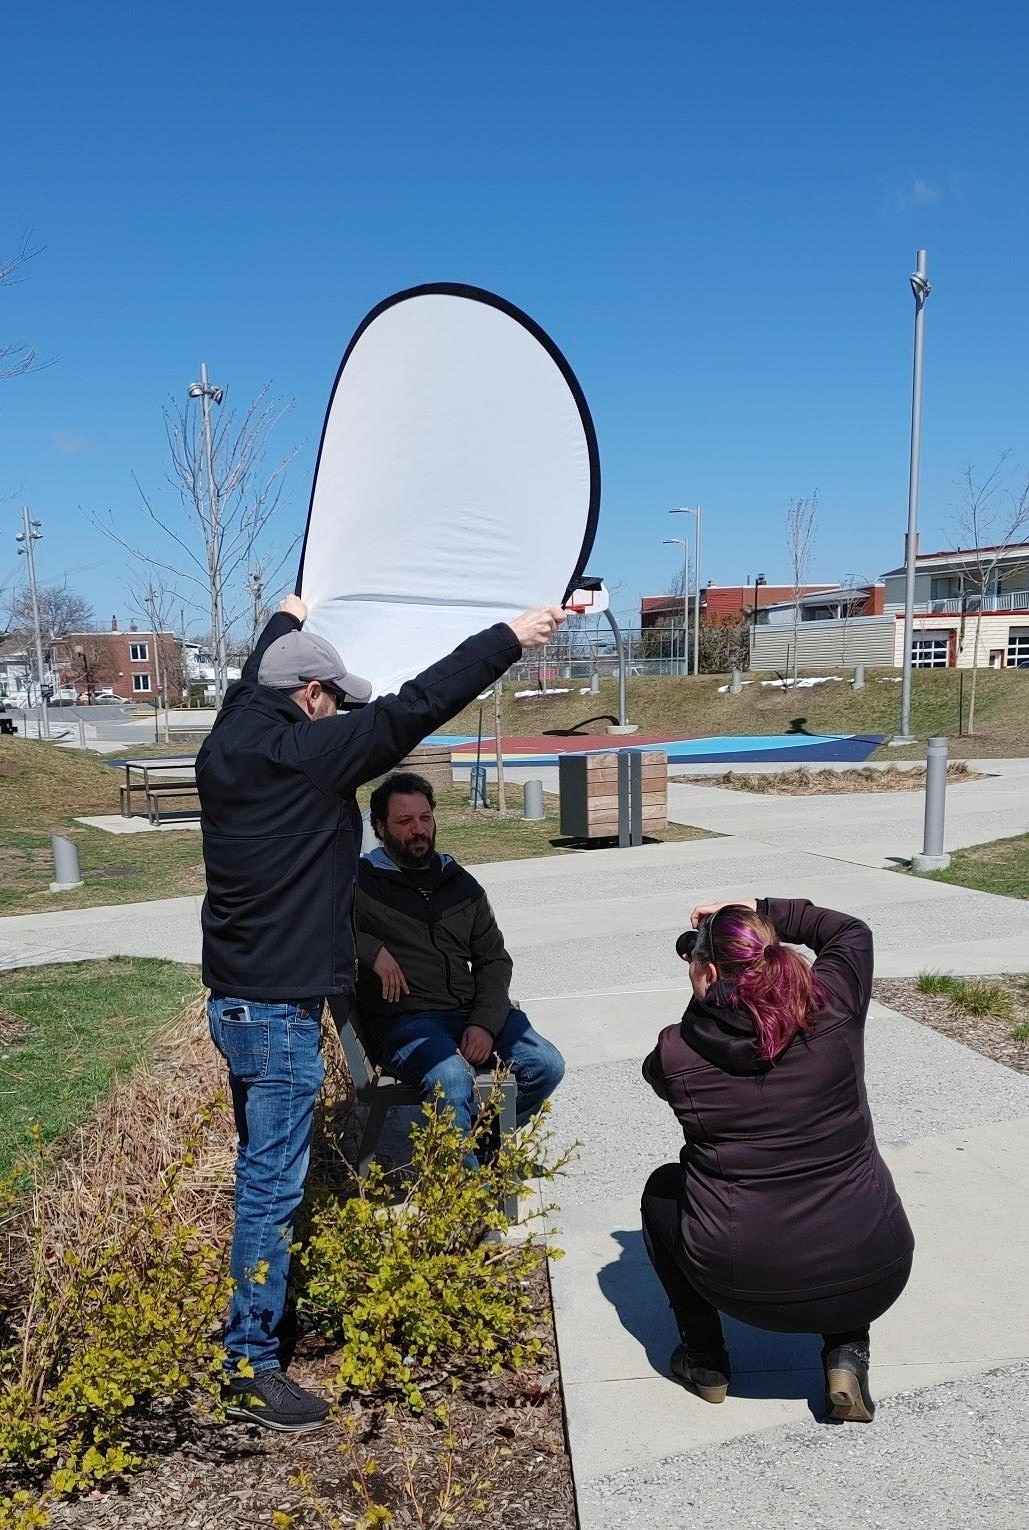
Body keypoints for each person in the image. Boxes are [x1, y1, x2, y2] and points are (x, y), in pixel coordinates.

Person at [198, 593, 566, 1432]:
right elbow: (416, 706)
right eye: (335, 699)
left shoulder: (227, 741)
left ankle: (269, 1320)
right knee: (270, 1189)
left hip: (235, 1000)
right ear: (314, 696)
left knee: (262, 1173)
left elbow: (251, 681)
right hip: (282, 1010)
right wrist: (508, 637)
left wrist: (282, 620)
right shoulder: (306, 755)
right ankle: (248, 1363)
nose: (341, 713)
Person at [641, 897, 914, 1423]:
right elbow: (849, 929)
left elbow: (665, 1069)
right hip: (877, 1272)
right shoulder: (833, 1003)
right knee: (844, 1200)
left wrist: (707, 1004)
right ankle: (846, 1353)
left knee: (663, 1191)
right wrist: (759, 909)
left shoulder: (677, 1054)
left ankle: (705, 1360)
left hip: (746, 1288)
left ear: (711, 974)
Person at [353, 772, 564, 1160]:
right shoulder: (361, 883)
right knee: (450, 1076)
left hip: (467, 1011)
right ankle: (469, 1203)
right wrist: (370, 950)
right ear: (380, 828)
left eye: (425, 818)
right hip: (406, 1021)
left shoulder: (460, 883)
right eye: (404, 822)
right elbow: (318, 927)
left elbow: (494, 959)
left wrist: (483, 1022)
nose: (418, 830)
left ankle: (474, 1144)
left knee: (546, 1064)